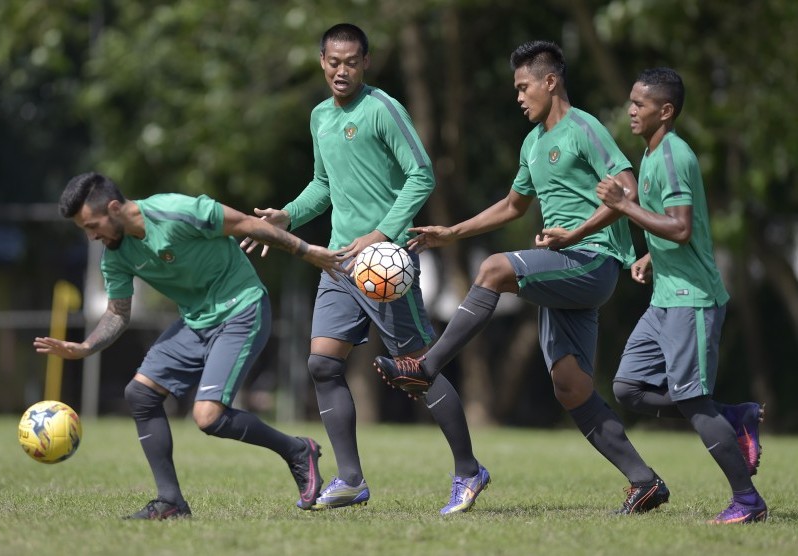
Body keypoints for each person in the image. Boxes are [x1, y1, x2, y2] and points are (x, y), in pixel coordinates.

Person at [375, 40, 670, 514]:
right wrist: (452, 231)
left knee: (493, 269)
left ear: (550, 82)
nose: (518, 96)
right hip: (567, 266)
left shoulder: (584, 128)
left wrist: (574, 234)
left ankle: (425, 366)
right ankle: (645, 482)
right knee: (570, 387)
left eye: (523, 86)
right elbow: (514, 206)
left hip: (593, 261)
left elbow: (627, 190)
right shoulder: (532, 143)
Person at [241, 23, 489, 514]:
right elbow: (322, 186)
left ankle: (468, 470)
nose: (341, 70)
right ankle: (351, 478)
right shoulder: (319, 117)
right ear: (321, 61)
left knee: (418, 369)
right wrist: (287, 215)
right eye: (333, 61)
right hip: (337, 262)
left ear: (366, 62)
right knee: (322, 364)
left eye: (351, 61)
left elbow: (422, 175)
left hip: (385, 263)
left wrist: (382, 234)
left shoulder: (383, 109)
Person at [34, 172, 347, 519]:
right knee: (140, 394)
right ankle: (171, 501)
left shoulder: (175, 212)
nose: (92, 236)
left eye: (92, 225)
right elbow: (118, 313)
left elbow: (244, 223)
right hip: (195, 321)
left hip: (241, 307)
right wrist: (85, 347)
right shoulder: (116, 256)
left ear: (114, 208)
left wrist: (307, 251)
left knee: (208, 416)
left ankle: (297, 450)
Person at [596, 68, 767, 523]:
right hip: (666, 297)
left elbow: (682, 226)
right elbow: (674, 227)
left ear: (665, 111)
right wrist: (651, 257)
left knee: (690, 399)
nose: (631, 110)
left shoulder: (673, 156)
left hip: (692, 299)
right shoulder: (650, 154)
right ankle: (734, 415)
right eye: (631, 101)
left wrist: (623, 206)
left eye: (640, 104)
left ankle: (748, 502)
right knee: (628, 388)